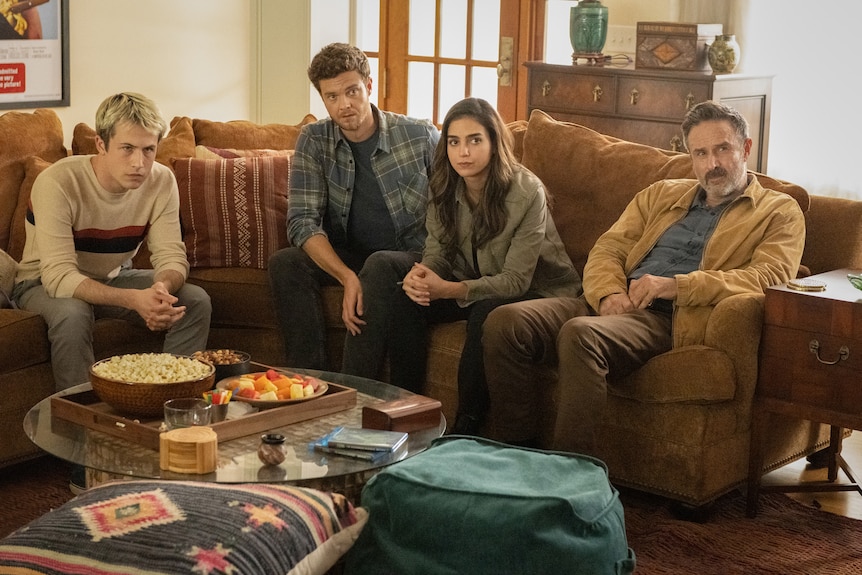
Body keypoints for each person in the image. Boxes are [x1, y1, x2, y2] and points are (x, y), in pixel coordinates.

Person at [482, 100, 806, 451]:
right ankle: (517, 452)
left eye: (722, 149)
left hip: (670, 317)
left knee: (581, 335)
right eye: (700, 153)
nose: (712, 164)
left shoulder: (779, 211)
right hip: (613, 302)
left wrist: (676, 286)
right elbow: (609, 248)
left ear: (745, 148)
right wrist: (608, 295)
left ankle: (569, 478)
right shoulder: (660, 194)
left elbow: (769, 276)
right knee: (505, 321)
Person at [342, 97, 581, 435]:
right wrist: (422, 275)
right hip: (478, 281)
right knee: (407, 299)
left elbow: (515, 281)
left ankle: (465, 427)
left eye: (474, 140)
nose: (463, 152)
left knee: (486, 313)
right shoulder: (444, 183)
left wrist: (449, 289)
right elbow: (438, 251)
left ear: (494, 143)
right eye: (454, 141)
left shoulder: (527, 192)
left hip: (538, 292)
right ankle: (406, 410)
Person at [12, 92, 212, 391]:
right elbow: (58, 278)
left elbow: (171, 255)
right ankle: (82, 417)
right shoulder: (57, 182)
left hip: (113, 276)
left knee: (194, 301)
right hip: (40, 283)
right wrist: (134, 300)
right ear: (101, 144)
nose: (139, 163)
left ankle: (169, 396)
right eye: (127, 148)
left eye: (148, 150)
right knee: (72, 313)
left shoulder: (161, 181)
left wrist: (161, 289)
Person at [268, 43, 439, 371]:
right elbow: (303, 222)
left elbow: (452, 209)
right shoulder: (314, 140)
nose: (344, 105)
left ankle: (353, 392)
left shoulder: (419, 136)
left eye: (352, 91)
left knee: (379, 264)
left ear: (369, 86)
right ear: (322, 99)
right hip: (351, 254)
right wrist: (346, 277)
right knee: (285, 263)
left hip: (406, 256)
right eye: (332, 97)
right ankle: (308, 384)